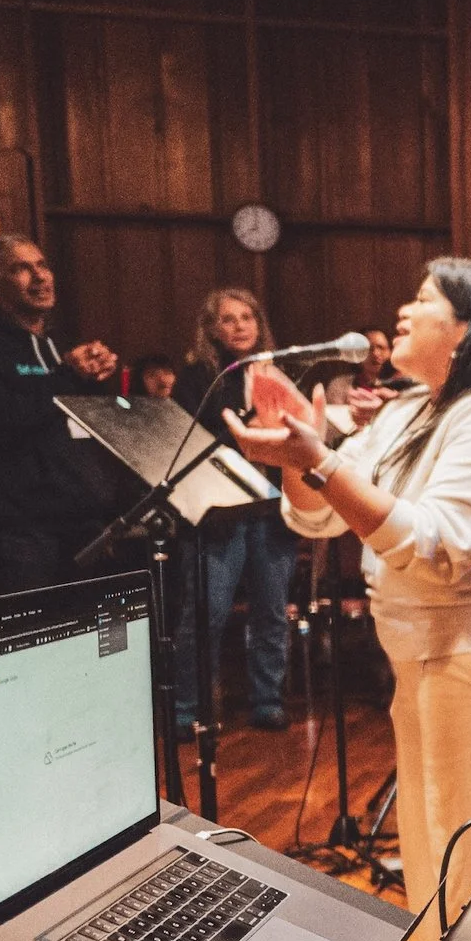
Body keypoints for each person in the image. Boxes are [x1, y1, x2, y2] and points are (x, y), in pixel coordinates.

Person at [223, 257, 471, 917]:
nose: (403, 313)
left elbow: (433, 546)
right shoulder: (412, 408)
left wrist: (319, 458)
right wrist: (298, 456)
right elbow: (320, 512)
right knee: (435, 834)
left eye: (423, 300)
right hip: (426, 648)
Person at [0, 234, 120, 593]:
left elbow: (78, 421)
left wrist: (96, 379)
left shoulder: (61, 341)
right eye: (22, 269)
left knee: (90, 640)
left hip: (84, 521)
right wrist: (68, 376)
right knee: (36, 640)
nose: (40, 277)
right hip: (22, 530)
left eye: (42, 265)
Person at [175, 287, 298, 731]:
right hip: (219, 511)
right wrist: (246, 427)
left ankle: (267, 699)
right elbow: (193, 441)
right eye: (228, 319)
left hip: (270, 508)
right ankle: (189, 708)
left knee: (270, 611)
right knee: (207, 612)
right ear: (212, 328)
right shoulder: (198, 377)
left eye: (247, 317)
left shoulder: (278, 373)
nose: (240, 326)